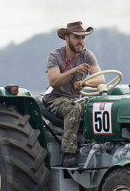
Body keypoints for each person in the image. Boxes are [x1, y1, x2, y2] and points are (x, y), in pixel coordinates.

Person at [44, 21, 104, 167]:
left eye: (83, 38)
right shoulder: (55, 56)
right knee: (73, 108)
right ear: (67, 38)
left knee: (98, 106)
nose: (81, 41)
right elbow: (54, 81)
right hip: (56, 100)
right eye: (77, 37)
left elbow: (100, 78)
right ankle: (69, 153)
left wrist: (84, 84)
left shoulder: (88, 56)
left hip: (77, 98)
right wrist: (74, 71)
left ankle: (99, 147)